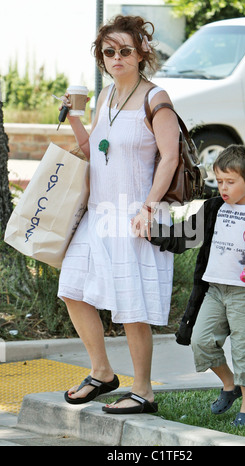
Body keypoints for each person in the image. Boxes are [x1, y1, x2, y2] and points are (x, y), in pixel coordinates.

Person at [57, 15, 179, 413]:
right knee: (72, 288)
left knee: (132, 306)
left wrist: (149, 207)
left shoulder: (155, 98)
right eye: (109, 52)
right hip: (98, 215)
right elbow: (95, 150)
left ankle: (143, 390)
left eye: (125, 50)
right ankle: (103, 373)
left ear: (142, 52)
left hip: (133, 217)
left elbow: (171, 157)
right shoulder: (107, 96)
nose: (117, 58)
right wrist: (74, 117)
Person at [150, 145, 245, 425]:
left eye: (231, 182)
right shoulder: (213, 208)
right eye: (219, 181)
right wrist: (151, 232)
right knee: (201, 341)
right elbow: (183, 236)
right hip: (214, 291)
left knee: (244, 350)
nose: (223, 188)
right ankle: (230, 385)